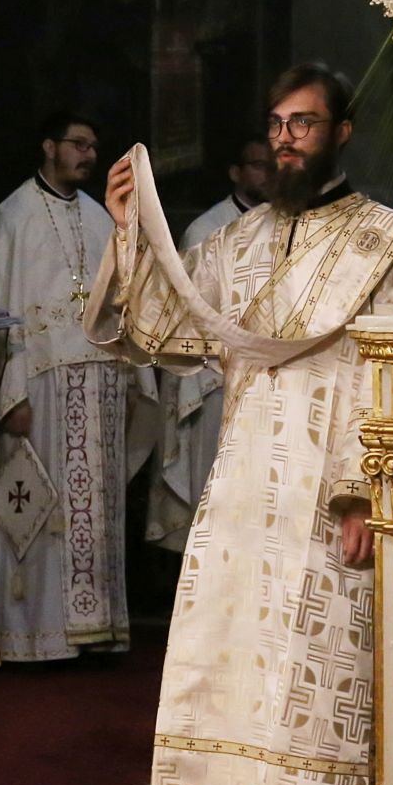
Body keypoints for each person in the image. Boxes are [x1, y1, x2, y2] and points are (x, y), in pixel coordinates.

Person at [89, 63, 393, 785]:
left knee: (323, 647)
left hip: (324, 474)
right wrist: (128, 228)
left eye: (302, 124)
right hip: (245, 476)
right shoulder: (240, 239)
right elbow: (170, 328)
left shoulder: (381, 239)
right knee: (239, 642)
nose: (285, 140)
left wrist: (362, 489)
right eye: (276, 125)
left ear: (340, 132)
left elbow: (389, 370)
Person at [0, 110, 150, 662]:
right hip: (42, 389)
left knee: (95, 511)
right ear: (49, 146)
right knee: (38, 507)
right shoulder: (14, 216)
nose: (88, 155)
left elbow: (124, 302)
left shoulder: (103, 220)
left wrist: (130, 378)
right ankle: (36, 637)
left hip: (100, 385)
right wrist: (11, 396)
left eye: (94, 147)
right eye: (78, 144)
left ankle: (97, 626)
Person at [147, 139, 273, 552]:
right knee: (215, 504)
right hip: (214, 388)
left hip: (271, 388)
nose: (268, 173)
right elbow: (187, 318)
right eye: (258, 165)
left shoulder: (289, 226)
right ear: (235, 172)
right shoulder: (205, 231)